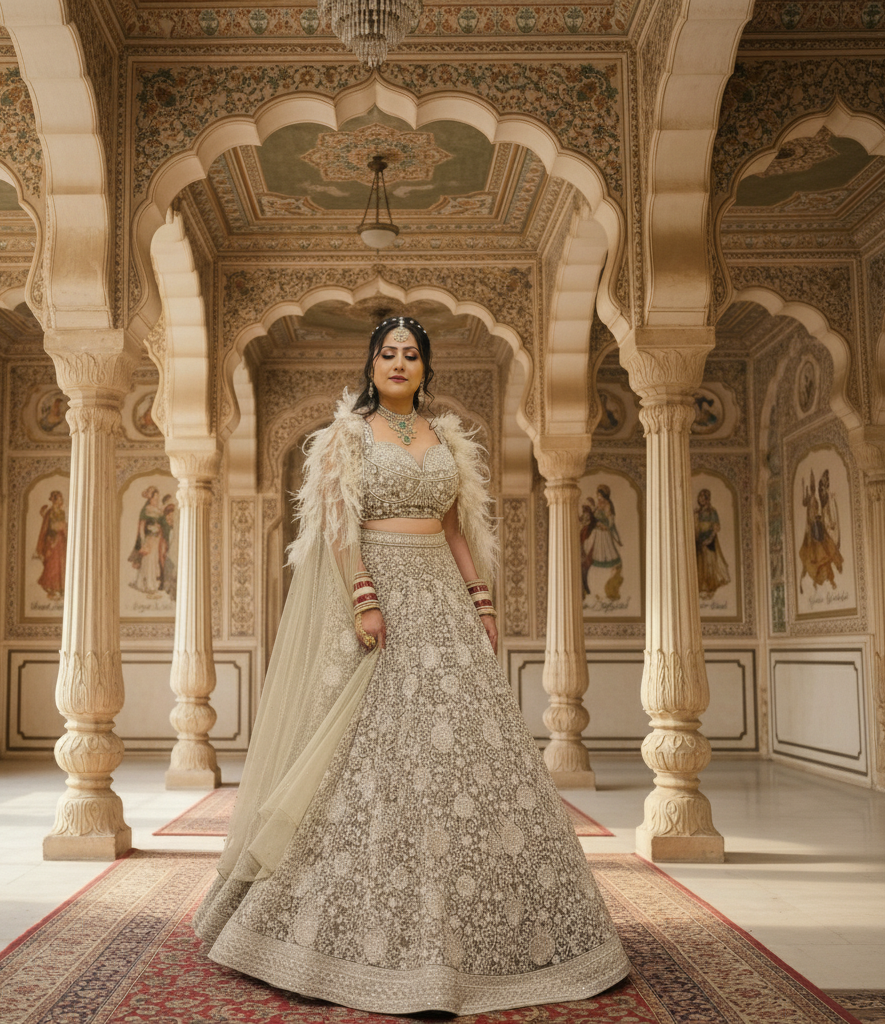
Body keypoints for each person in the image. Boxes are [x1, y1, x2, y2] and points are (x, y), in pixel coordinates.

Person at [192, 316, 629, 1014]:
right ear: (371, 364)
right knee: (370, 747)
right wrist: (365, 598)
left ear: (426, 368)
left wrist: (480, 597)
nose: (399, 363)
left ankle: (484, 936)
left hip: (443, 599)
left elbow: (457, 528)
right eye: (388, 353)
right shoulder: (348, 435)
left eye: (411, 355)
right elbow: (340, 523)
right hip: (381, 594)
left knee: (463, 750)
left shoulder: (445, 435)